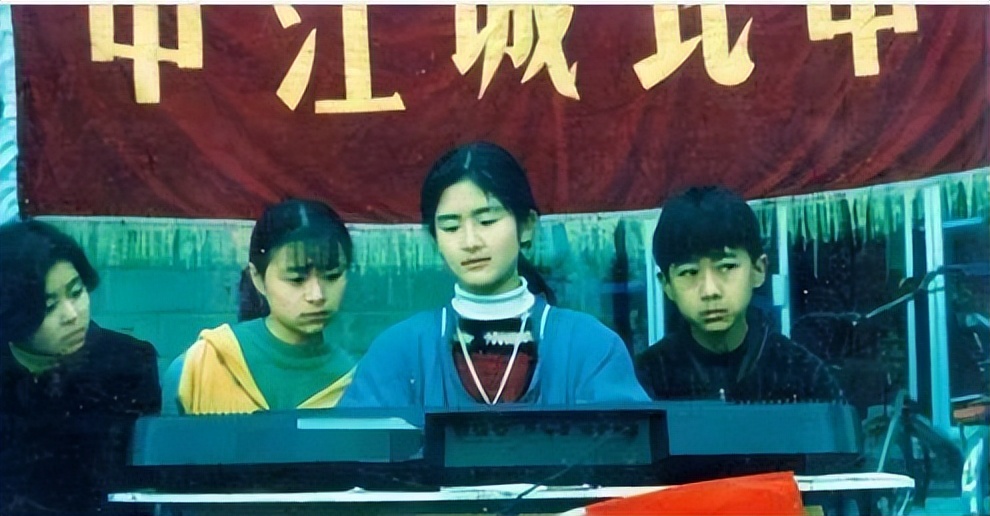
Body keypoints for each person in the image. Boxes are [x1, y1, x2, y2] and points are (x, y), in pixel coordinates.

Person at [339, 141, 648, 408]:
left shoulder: (590, 346)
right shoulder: (397, 352)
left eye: (486, 221)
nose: (470, 241)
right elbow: (358, 451)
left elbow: (628, 448)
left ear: (526, 227)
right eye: (450, 227)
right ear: (435, 240)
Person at [0, 219, 161, 515]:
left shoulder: (128, 363)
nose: (72, 315)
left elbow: (130, 492)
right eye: (49, 307)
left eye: (76, 292)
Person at [635, 186, 843, 402]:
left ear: (758, 270)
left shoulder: (803, 373)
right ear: (666, 284)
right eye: (689, 272)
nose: (710, 291)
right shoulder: (644, 379)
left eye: (726, 267)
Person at [162, 199, 357, 414]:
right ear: (258, 278)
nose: (317, 295)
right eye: (296, 279)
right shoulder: (203, 365)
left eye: (332, 276)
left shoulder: (356, 385)